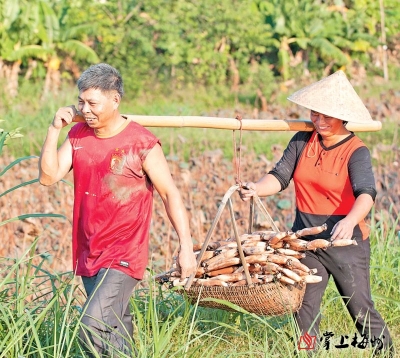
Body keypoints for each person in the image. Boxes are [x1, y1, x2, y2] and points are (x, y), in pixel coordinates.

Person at [38, 63, 197, 356]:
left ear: (115, 100)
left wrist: (186, 246)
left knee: (91, 323)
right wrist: (53, 129)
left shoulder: (142, 142)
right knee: (113, 329)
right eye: (81, 102)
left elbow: (169, 193)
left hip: (125, 252)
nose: (85, 109)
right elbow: (48, 177)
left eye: (93, 103)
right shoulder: (78, 136)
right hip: (89, 249)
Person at [239, 70, 393, 356]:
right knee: (304, 309)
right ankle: (307, 352)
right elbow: (279, 176)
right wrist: (256, 188)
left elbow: (366, 194)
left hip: (346, 242)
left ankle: (384, 351)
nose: (319, 121)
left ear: (342, 115)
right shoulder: (301, 141)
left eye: (326, 116)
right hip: (306, 241)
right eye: (314, 114)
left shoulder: (356, 151)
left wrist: (349, 221)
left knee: (359, 307)